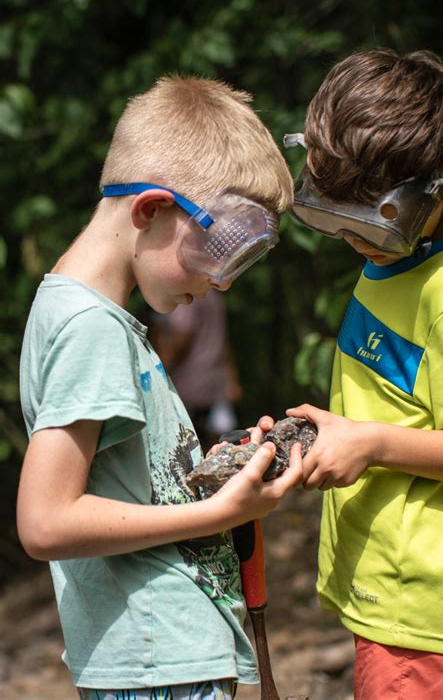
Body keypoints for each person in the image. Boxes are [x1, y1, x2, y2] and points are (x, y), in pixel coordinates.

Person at [16, 75, 303, 700]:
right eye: (219, 247)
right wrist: (219, 513)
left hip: (167, 657)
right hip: (159, 663)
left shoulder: (98, 319)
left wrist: (224, 472)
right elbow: (45, 521)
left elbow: (135, 484)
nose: (223, 281)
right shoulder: (91, 326)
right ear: (149, 210)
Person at [283, 49, 443, 698]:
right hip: (390, 595)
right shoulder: (394, 263)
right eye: (335, 219)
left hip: (429, 615)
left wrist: (371, 445)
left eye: (371, 227)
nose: (353, 240)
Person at [147, 289, 242, 452]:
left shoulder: (187, 295)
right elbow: (224, 342)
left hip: (190, 384)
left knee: (188, 445)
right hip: (216, 382)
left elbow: (182, 336)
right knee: (216, 445)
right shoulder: (213, 295)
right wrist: (232, 379)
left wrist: (156, 371)